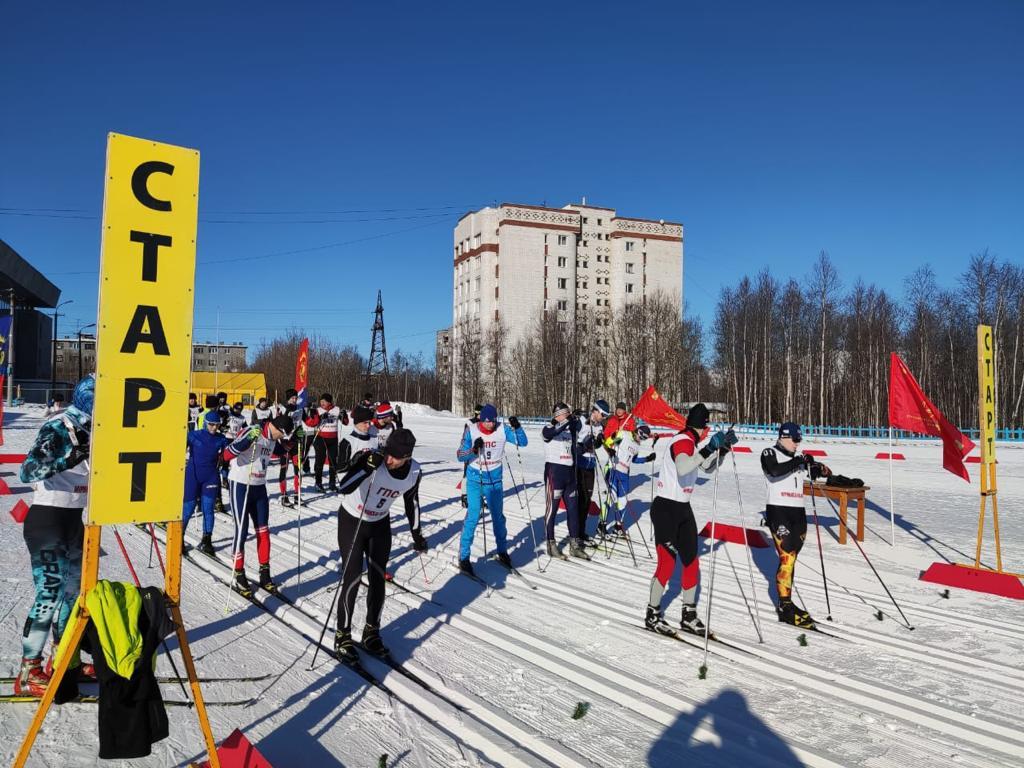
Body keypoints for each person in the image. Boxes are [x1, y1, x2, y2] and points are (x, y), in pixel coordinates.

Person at [15, 375, 95, 696]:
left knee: (73, 595)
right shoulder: (61, 426)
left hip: (75, 519)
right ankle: (28, 670)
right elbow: (27, 470)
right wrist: (68, 458)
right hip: (48, 518)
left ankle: (65, 659)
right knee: (49, 594)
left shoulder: (98, 428)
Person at [645, 403, 735, 636]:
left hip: (683, 510)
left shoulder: (692, 443)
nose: (708, 432)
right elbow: (684, 467)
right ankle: (652, 614)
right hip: (666, 509)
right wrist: (708, 449)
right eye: (708, 427)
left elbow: (707, 467)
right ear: (703, 427)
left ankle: (689, 615)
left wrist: (722, 450)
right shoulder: (682, 441)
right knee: (667, 563)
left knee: (691, 561)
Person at [333, 428, 422, 662]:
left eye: (395, 457)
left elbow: (411, 502)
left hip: (379, 524)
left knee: (377, 577)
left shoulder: (414, 471)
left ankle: (371, 632)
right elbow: (343, 487)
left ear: (407, 457)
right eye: (388, 453)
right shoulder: (374, 458)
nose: (389, 459)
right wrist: (364, 467)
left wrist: (417, 534)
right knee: (352, 576)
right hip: (353, 519)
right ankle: (342, 634)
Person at [761, 422, 831, 628]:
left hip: (798, 513)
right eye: (795, 440)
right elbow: (774, 470)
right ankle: (784, 606)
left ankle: (787, 602)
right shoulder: (769, 452)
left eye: (799, 439)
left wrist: (814, 464)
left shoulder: (798, 458)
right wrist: (799, 461)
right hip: (778, 510)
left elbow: (826, 472)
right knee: (786, 557)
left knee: (792, 558)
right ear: (783, 437)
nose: (797, 444)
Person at [223, 414, 295, 598]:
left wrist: (290, 446)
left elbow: (279, 450)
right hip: (241, 484)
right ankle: (239, 573)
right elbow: (226, 454)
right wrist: (246, 441)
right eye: (283, 435)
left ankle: (264, 573)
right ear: (276, 428)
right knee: (242, 530)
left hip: (259, 487)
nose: (282, 438)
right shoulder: (252, 431)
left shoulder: (273, 438)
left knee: (263, 530)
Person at [455, 404, 527, 574]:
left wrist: (518, 427)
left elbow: (522, 442)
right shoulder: (471, 430)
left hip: (494, 480)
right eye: (486, 422)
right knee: (473, 515)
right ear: (481, 419)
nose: (489, 425)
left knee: (498, 518)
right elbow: (459, 455)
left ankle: (502, 550)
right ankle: (464, 557)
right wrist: (473, 450)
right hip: (475, 478)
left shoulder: (502, 429)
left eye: (492, 422)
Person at [542, 402, 588, 559]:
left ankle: (575, 545)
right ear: (557, 415)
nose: (568, 415)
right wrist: (568, 421)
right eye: (565, 413)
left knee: (574, 510)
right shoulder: (549, 427)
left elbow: (576, 449)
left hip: (570, 475)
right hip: (554, 473)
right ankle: (551, 543)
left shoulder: (569, 430)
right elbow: (548, 434)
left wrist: (588, 444)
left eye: (569, 413)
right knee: (552, 510)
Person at [183, 409, 230, 554]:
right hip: (193, 475)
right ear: (205, 423)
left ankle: (207, 540)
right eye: (211, 425)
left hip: (211, 476)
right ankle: (179, 538)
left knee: (208, 509)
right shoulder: (193, 435)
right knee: (188, 508)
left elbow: (228, 455)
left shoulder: (221, 438)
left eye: (217, 425)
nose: (214, 428)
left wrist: (224, 466)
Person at [604, 423, 656, 538]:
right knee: (611, 497)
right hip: (614, 469)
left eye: (644, 439)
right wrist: (611, 443)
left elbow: (635, 460)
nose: (641, 439)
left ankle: (618, 527)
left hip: (625, 474)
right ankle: (601, 524)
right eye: (641, 436)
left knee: (622, 501)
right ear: (637, 431)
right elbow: (608, 442)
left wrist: (647, 458)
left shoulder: (637, 446)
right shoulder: (624, 434)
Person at [576, 399, 610, 544]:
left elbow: (596, 445)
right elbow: (569, 442)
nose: (604, 418)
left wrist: (598, 442)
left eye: (606, 416)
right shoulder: (581, 421)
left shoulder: (600, 426)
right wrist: (583, 446)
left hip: (590, 466)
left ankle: (581, 532)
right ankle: (575, 534)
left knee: (587, 500)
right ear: (595, 411)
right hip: (579, 465)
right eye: (603, 414)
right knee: (580, 499)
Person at [308, 393, 341, 492]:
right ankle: (318, 483)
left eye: (324, 401)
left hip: (333, 439)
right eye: (321, 401)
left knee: (333, 461)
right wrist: (318, 417)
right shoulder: (318, 410)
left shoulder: (337, 409)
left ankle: (332, 483)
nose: (322, 403)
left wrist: (344, 416)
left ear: (329, 402)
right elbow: (312, 423)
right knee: (320, 460)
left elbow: (346, 422)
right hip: (320, 438)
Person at [276, 389, 302, 507]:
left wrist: (315, 417)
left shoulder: (300, 409)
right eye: (292, 398)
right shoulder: (282, 409)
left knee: (298, 470)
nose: (294, 400)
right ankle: (284, 496)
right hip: (284, 444)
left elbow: (310, 422)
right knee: (284, 470)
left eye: (296, 398)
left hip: (296, 443)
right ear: (288, 399)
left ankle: (297, 495)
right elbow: (276, 424)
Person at [460, 404, 483, 508]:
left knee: (480, 474)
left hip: (480, 451)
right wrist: (469, 450)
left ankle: (479, 497)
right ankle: (464, 496)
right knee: (467, 474)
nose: (481, 416)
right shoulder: (470, 422)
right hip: (470, 451)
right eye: (480, 413)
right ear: (477, 413)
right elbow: (465, 437)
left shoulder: (483, 422)